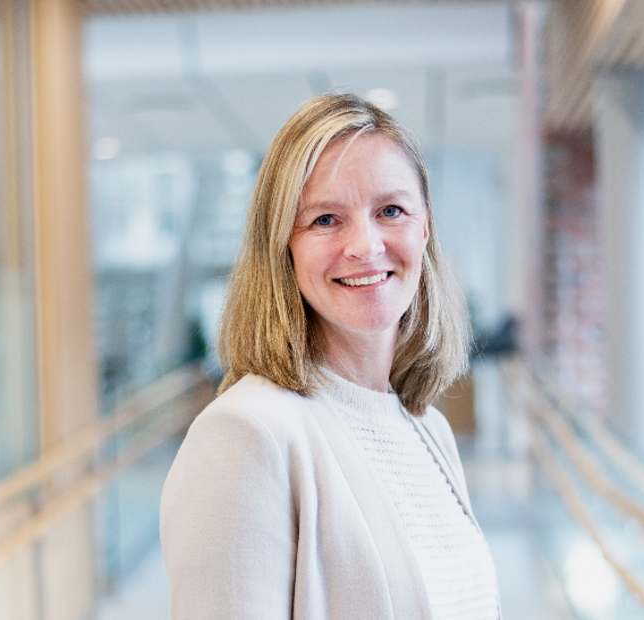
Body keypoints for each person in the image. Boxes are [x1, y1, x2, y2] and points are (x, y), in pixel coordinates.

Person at [160, 94, 501, 620]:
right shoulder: (246, 435)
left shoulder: (428, 429)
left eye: (391, 210)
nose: (365, 246)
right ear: (282, 245)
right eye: (325, 220)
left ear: (425, 226)